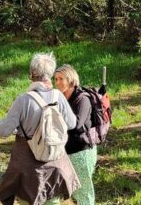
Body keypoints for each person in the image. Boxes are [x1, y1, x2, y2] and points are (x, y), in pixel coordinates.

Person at [0, 53, 79, 205]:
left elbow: (2, 131)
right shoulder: (58, 96)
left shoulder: (23, 100)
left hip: (28, 168)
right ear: (51, 74)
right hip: (54, 163)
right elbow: (72, 123)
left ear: (32, 74)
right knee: (52, 201)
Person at [54, 64, 96, 205]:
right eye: (56, 79)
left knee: (83, 192)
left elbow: (76, 124)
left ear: (71, 79)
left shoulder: (82, 99)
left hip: (81, 152)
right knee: (69, 193)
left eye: (61, 79)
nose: (58, 82)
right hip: (65, 152)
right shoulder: (60, 98)